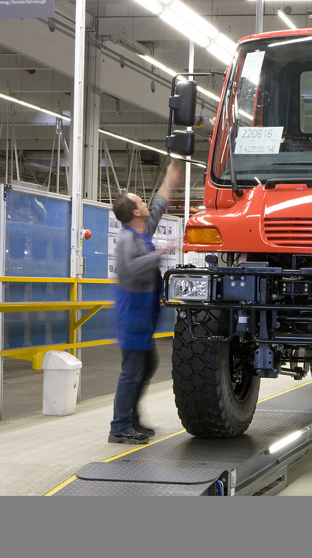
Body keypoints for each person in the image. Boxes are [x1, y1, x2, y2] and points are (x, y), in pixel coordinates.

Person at [108, 160, 182, 444]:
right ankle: (119, 427)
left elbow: (159, 205)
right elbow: (130, 269)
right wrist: (160, 252)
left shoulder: (141, 232)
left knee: (146, 365)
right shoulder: (128, 240)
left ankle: (132, 418)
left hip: (143, 315)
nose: (145, 201)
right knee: (131, 372)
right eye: (141, 200)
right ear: (136, 212)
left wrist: (171, 178)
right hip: (133, 315)